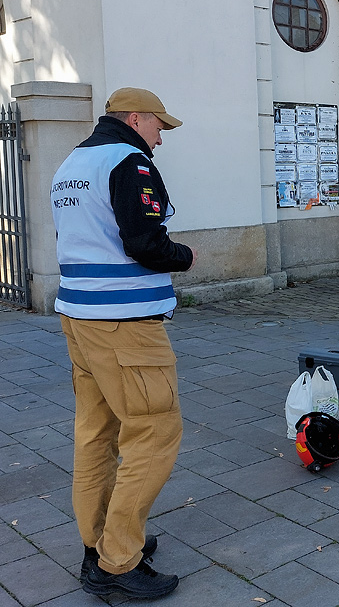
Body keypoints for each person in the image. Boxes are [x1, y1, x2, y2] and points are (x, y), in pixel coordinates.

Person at [51, 88, 196, 599]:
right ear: (134, 118)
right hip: (124, 324)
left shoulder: (71, 162)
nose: (161, 136)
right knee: (154, 433)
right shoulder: (128, 161)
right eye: (159, 125)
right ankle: (117, 564)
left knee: (95, 433)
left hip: (79, 318)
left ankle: (99, 543)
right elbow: (146, 243)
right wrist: (186, 255)